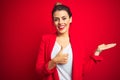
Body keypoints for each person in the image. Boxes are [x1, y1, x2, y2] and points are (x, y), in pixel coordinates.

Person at [36, 2, 116, 80]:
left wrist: (97, 51)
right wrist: (54, 61)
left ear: (70, 19)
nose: (60, 22)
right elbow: (39, 71)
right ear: (53, 22)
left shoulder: (77, 42)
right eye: (56, 19)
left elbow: (82, 71)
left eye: (64, 18)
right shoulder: (46, 40)